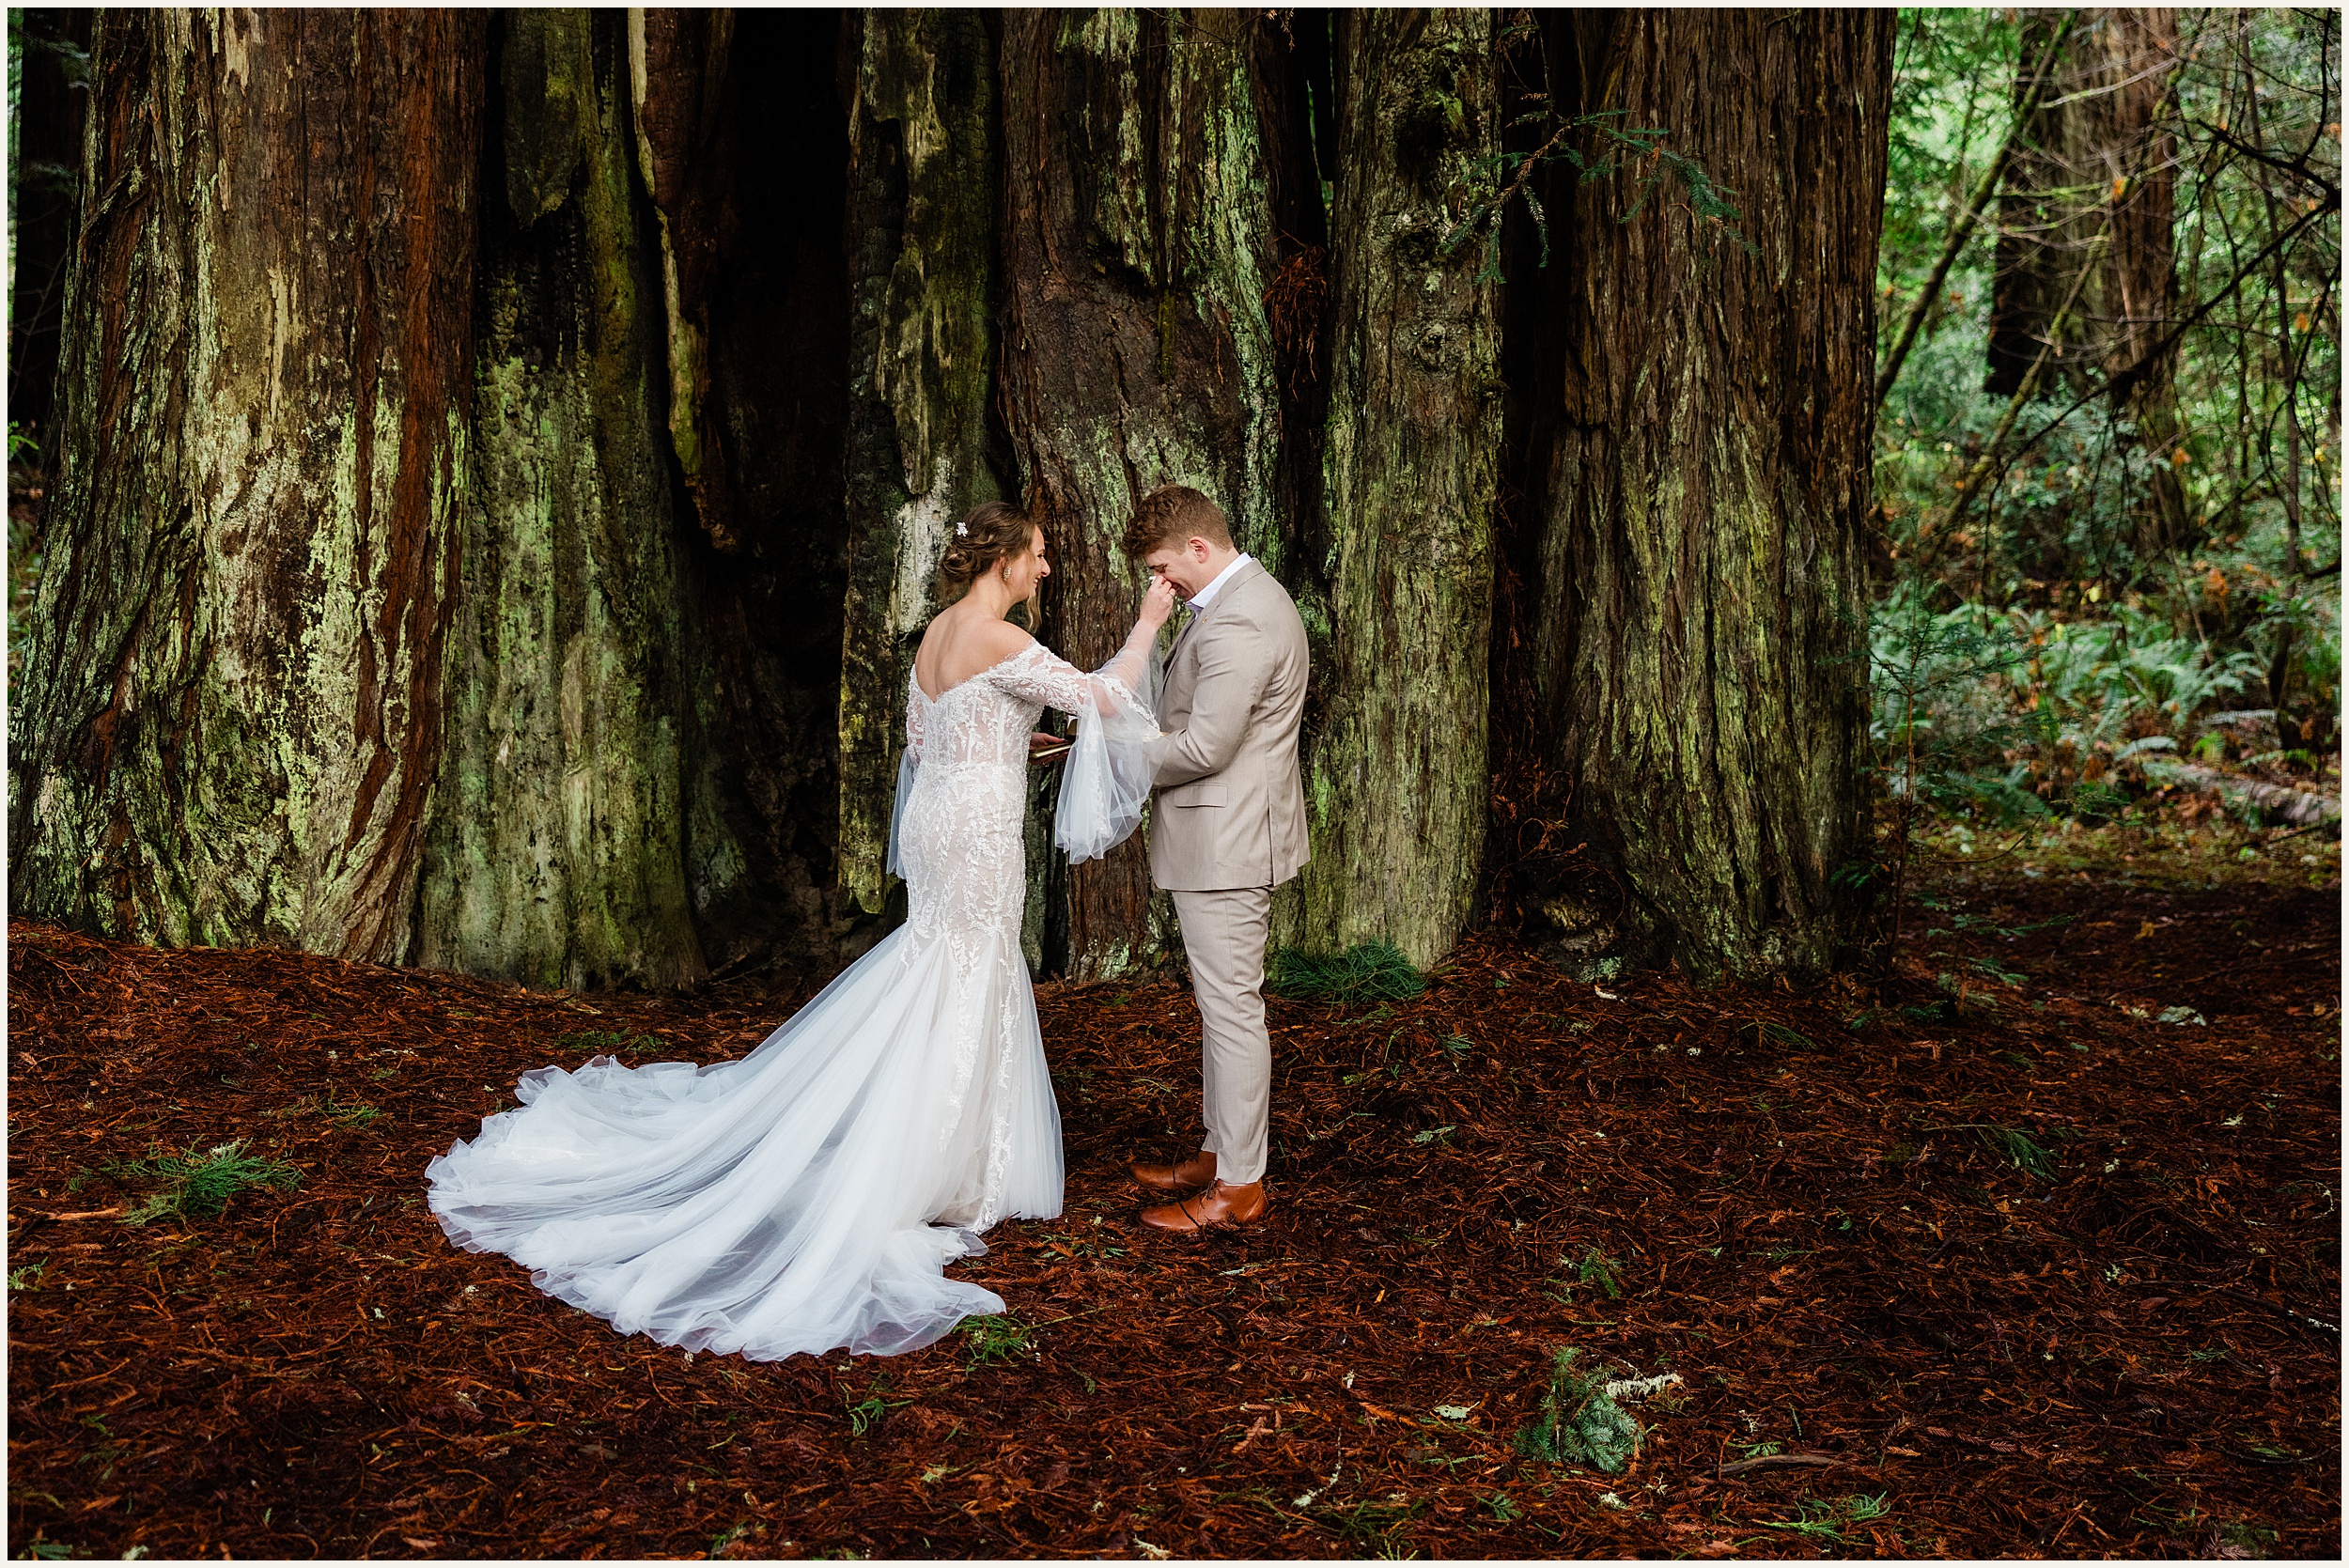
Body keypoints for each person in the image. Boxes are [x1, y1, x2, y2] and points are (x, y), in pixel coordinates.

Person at [426, 501, 1174, 1360]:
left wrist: (1014, 743)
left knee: (940, 965)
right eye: (1037, 556)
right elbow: (1106, 696)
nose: (1044, 570)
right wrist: (1149, 619)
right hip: (974, 833)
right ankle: (935, 1163)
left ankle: (948, 1146)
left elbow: (925, 746)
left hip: (941, 818)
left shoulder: (937, 635)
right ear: (1002, 560)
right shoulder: (998, 637)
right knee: (967, 971)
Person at [1119, 485, 1311, 1234]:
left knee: (1232, 1011)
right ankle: (1219, 1150)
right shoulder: (1241, 603)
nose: (1161, 585)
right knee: (1220, 1007)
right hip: (1225, 836)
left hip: (1229, 846)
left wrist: (1116, 757)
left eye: (1166, 567)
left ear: (1200, 547)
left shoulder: (1241, 623)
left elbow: (1205, 746)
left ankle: (1239, 1186)